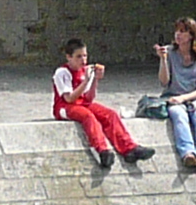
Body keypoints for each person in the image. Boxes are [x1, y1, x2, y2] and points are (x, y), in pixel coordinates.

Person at [52, 39, 152, 170]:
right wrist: (86, 81)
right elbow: (69, 98)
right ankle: (102, 150)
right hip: (64, 107)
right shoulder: (62, 73)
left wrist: (94, 80)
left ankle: (129, 148)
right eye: (78, 57)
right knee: (87, 116)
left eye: (85, 56)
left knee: (110, 114)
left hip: (82, 103)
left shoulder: (85, 71)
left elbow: (89, 98)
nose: (83, 60)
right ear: (69, 57)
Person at [152, 16, 196, 172]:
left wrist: (184, 98)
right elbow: (164, 82)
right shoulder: (169, 52)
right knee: (179, 115)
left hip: (194, 98)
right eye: (177, 31)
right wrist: (163, 60)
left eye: (182, 31)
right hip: (173, 96)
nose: (178, 34)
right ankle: (188, 153)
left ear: (191, 36)